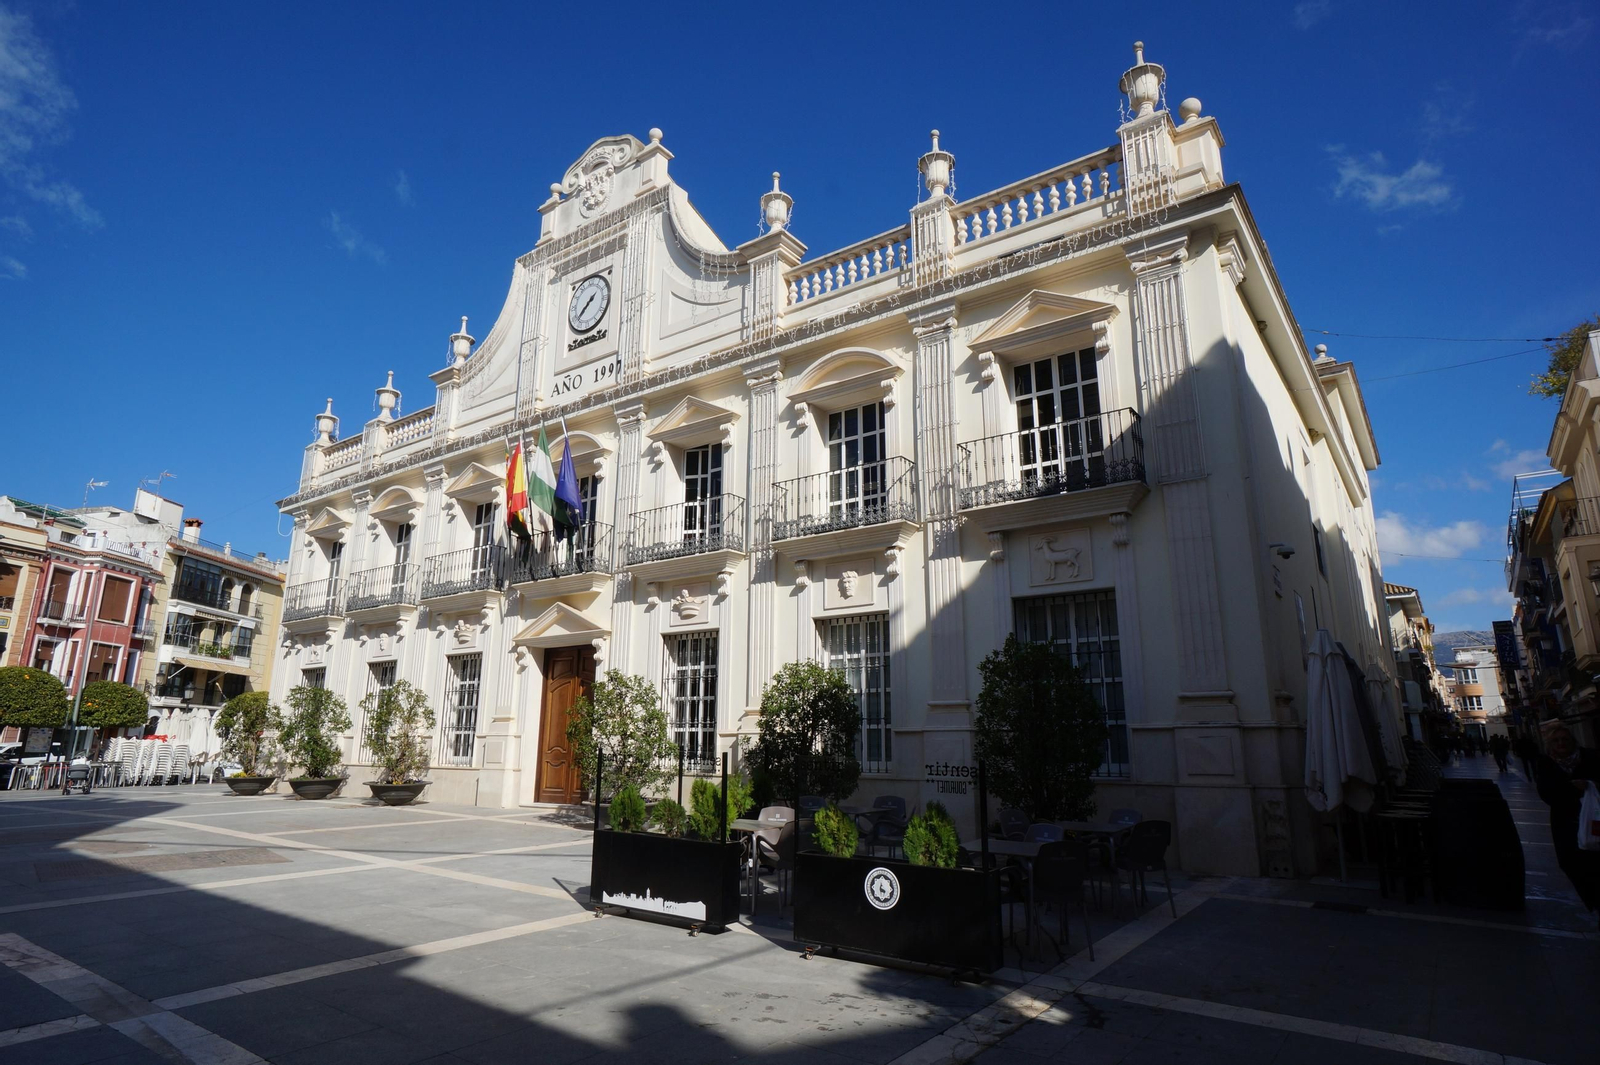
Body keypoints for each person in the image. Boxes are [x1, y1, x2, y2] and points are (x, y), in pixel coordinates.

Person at [1531, 719, 1600, 927]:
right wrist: (1572, 790)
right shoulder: (1545, 763)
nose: (1561, 743)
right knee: (1571, 864)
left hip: (1594, 819)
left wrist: (1589, 785)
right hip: (1566, 823)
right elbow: (1546, 793)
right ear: (1550, 745)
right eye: (1557, 740)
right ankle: (1594, 903)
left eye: (1565, 739)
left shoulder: (1591, 757)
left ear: (1573, 740)